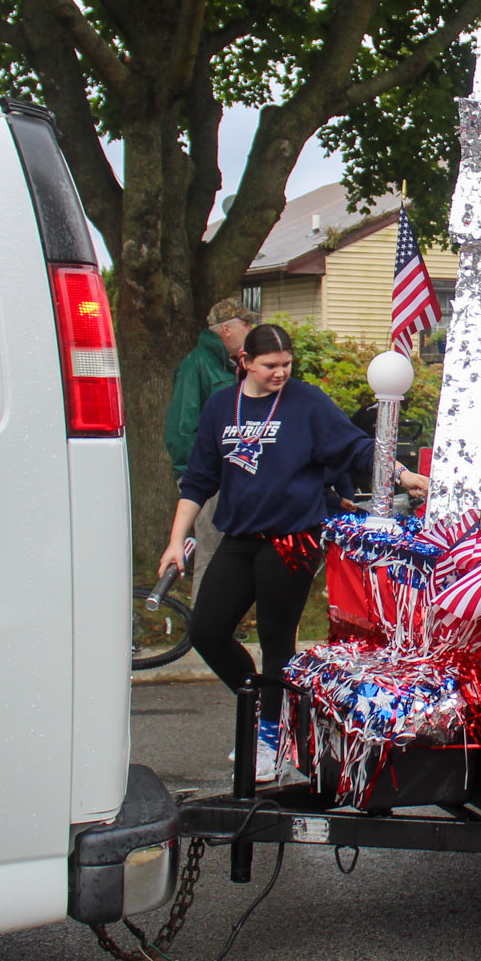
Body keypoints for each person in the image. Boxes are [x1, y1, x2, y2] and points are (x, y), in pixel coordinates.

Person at [159, 324, 429, 780]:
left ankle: (268, 736)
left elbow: (357, 448)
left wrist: (402, 475)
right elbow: (200, 479)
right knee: (207, 630)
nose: (280, 373)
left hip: (292, 539)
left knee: (275, 639)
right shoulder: (222, 406)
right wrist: (174, 541)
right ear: (245, 361)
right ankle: (264, 707)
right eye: (270, 366)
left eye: (286, 365)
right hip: (240, 538)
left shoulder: (306, 403)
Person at [163, 298, 256, 585]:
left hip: (236, 475)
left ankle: (225, 623)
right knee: (212, 552)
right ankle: (202, 625)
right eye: (246, 324)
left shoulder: (233, 367)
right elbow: (180, 431)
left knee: (233, 553)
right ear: (226, 329)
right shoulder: (195, 366)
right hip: (211, 481)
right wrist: (201, 476)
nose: (252, 329)